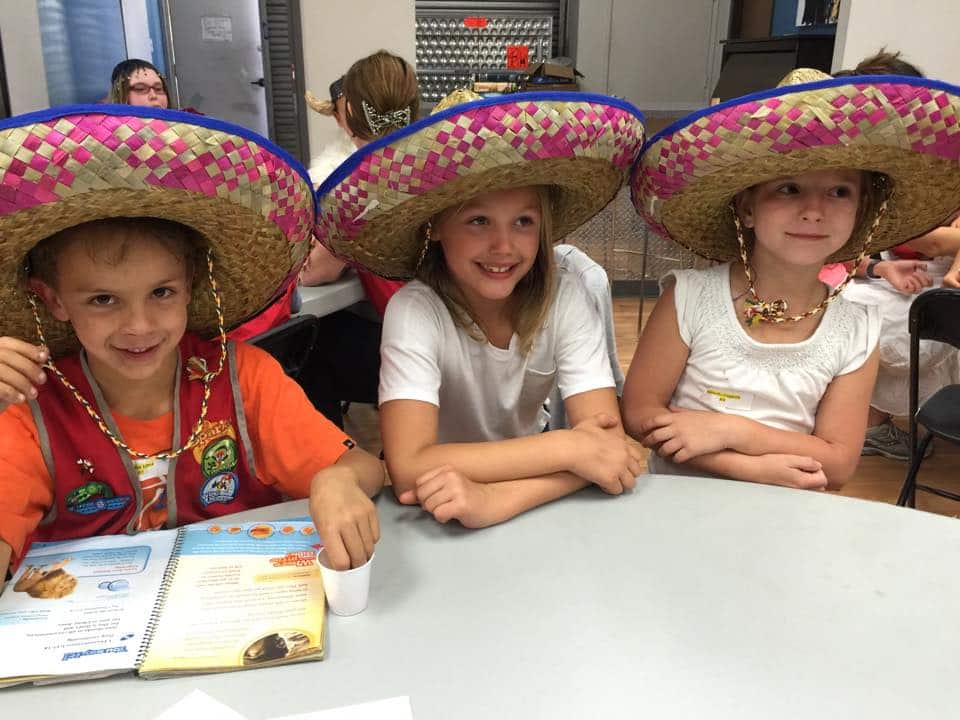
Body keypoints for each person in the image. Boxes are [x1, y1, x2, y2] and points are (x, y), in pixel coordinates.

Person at [0, 105, 384, 582]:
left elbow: (363, 466)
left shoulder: (243, 379)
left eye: (161, 292)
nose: (139, 325)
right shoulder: (29, 407)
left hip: (236, 602)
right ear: (54, 299)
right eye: (103, 299)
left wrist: (337, 478)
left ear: (191, 285)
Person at [315, 91, 647, 527]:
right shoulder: (414, 311)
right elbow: (408, 467)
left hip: (524, 500)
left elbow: (607, 449)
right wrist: (568, 449)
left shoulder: (566, 296)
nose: (503, 246)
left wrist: (498, 499)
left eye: (523, 222)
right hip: (434, 508)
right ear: (435, 225)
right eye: (478, 221)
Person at [622, 69, 960, 490]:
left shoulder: (856, 329)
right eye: (788, 189)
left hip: (790, 516)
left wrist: (732, 432)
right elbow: (639, 414)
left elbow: (838, 463)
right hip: (677, 508)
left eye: (839, 191)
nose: (814, 211)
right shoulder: (689, 298)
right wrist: (747, 468)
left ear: (861, 212)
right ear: (747, 207)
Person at [827, 50, 960, 459]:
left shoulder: (936, 168)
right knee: (850, 306)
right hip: (897, 280)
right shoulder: (866, 175)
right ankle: (866, 423)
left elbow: (937, 246)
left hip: (922, 287)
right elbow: (855, 247)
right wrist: (882, 266)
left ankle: (870, 424)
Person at [297, 50, 417, 427]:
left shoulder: (360, 185)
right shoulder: (433, 163)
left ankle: (332, 453)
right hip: (477, 340)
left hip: (418, 351)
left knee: (307, 347)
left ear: (347, 112)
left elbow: (314, 272)